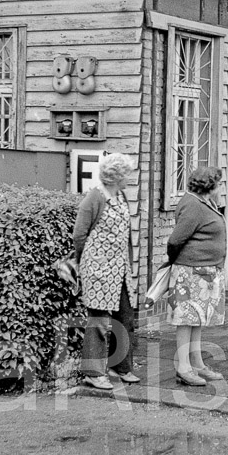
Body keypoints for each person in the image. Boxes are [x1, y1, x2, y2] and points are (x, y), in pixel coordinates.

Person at [73, 153, 140, 390]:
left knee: (125, 317)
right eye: (126, 176)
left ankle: (120, 366)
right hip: (98, 269)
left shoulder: (120, 195)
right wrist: (87, 265)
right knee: (99, 321)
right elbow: (80, 234)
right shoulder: (95, 197)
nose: (129, 180)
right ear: (115, 177)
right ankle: (93, 372)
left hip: (119, 269)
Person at [166, 166, 227, 386]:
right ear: (208, 186)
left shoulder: (203, 202)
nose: (222, 188)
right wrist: (180, 263)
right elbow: (175, 240)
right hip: (190, 272)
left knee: (197, 320)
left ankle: (197, 363)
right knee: (185, 319)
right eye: (219, 184)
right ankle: (183, 367)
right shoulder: (193, 205)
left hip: (203, 272)